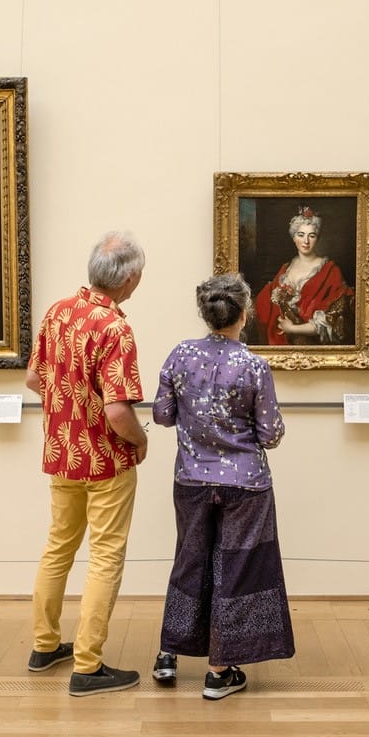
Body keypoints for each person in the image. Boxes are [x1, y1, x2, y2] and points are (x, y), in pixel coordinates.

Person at [150, 274, 294, 701]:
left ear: (206, 313)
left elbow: (161, 414)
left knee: (189, 559)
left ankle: (167, 655)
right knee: (236, 567)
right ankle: (218, 672)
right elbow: (270, 433)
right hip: (245, 484)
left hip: (191, 479)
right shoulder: (253, 365)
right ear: (243, 314)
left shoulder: (181, 355)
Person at [25, 231, 149, 697]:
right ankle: (88, 665)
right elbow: (118, 411)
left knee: (58, 547)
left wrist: (69, 406)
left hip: (61, 453)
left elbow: (35, 378)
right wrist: (140, 441)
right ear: (130, 278)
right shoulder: (115, 328)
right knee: (105, 557)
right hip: (104, 461)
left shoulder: (58, 312)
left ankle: (44, 646)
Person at [254, 207, 353, 345]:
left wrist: (293, 329)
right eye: (301, 235)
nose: (306, 241)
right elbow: (267, 306)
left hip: (314, 347)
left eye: (311, 235)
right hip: (281, 344)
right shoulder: (285, 269)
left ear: (317, 238)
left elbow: (333, 320)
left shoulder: (330, 271)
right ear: (294, 237)